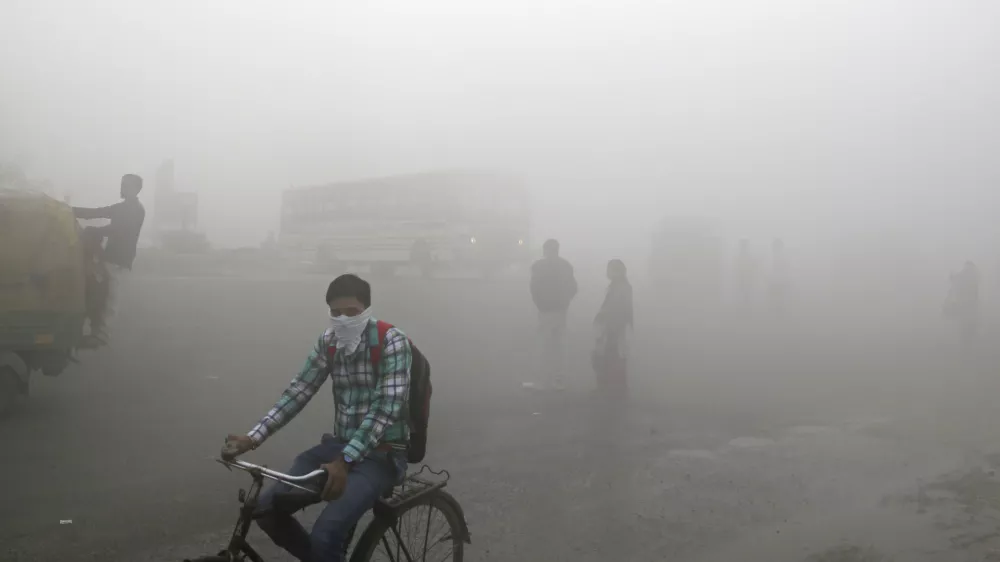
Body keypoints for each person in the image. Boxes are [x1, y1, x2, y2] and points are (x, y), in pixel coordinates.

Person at [222, 274, 410, 562]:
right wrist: (253, 437)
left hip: (381, 456)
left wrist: (346, 460)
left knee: (326, 534)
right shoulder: (329, 341)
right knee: (266, 509)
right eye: (336, 313)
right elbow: (299, 391)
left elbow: (385, 408)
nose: (343, 320)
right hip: (338, 448)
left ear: (367, 310)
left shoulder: (391, 342)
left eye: (352, 312)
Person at [72, 174, 146, 342]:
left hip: (121, 259)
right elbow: (96, 212)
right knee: (99, 292)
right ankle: (96, 329)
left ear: (136, 189)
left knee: (112, 296)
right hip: (109, 257)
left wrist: (94, 231)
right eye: (123, 185)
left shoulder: (136, 210)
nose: (124, 188)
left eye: (128, 186)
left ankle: (103, 333)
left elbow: (119, 229)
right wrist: (70, 210)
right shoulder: (121, 208)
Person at [529, 239, 578, 390]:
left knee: (543, 345)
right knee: (559, 346)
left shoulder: (538, 266)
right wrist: (565, 301)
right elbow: (573, 287)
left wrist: (540, 304)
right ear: (557, 250)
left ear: (545, 250)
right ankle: (559, 381)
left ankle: (542, 382)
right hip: (560, 310)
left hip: (545, 310)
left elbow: (534, 287)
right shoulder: (566, 266)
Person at [592, 259, 633, 397]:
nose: (607, 272)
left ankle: (611, 388)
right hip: (615, 326)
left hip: (614, 326)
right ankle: (615, 387)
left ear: (617, 272)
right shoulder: (620, 286)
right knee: (614, 356)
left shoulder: (620, 287)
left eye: (610, 269)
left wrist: (603, 317)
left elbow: (616, 307)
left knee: (611, 356)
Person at [944, 261, 980, 344]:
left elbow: (955, 279)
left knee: (965, 324)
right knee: (969, 323)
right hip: (971, 305)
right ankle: (968, 341)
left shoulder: (965, 275)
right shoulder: (974, 276)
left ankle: (965, 343)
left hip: (965, 304)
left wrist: (952, 276)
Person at [735, 238, 757, 310]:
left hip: (746, 275)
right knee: (744, 291)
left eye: (744, 244)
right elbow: (738, 265)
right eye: (743, 244)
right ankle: (744, 307)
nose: (743, 246)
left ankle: (745, 307)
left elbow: (751, 264)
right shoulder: (743, 254)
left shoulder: (745, 254)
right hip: (743, 275)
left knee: (746, 291)